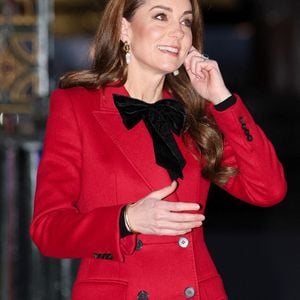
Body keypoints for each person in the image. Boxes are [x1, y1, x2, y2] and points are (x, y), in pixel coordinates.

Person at [30, 0, 287, 299]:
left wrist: (223, 101)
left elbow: (268, 189)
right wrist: (127, 219)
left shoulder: (194, 115)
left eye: (185, 22)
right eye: (161, 16)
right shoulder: (76, 106)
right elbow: (48, 231)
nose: (177, 32)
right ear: (124, 29)